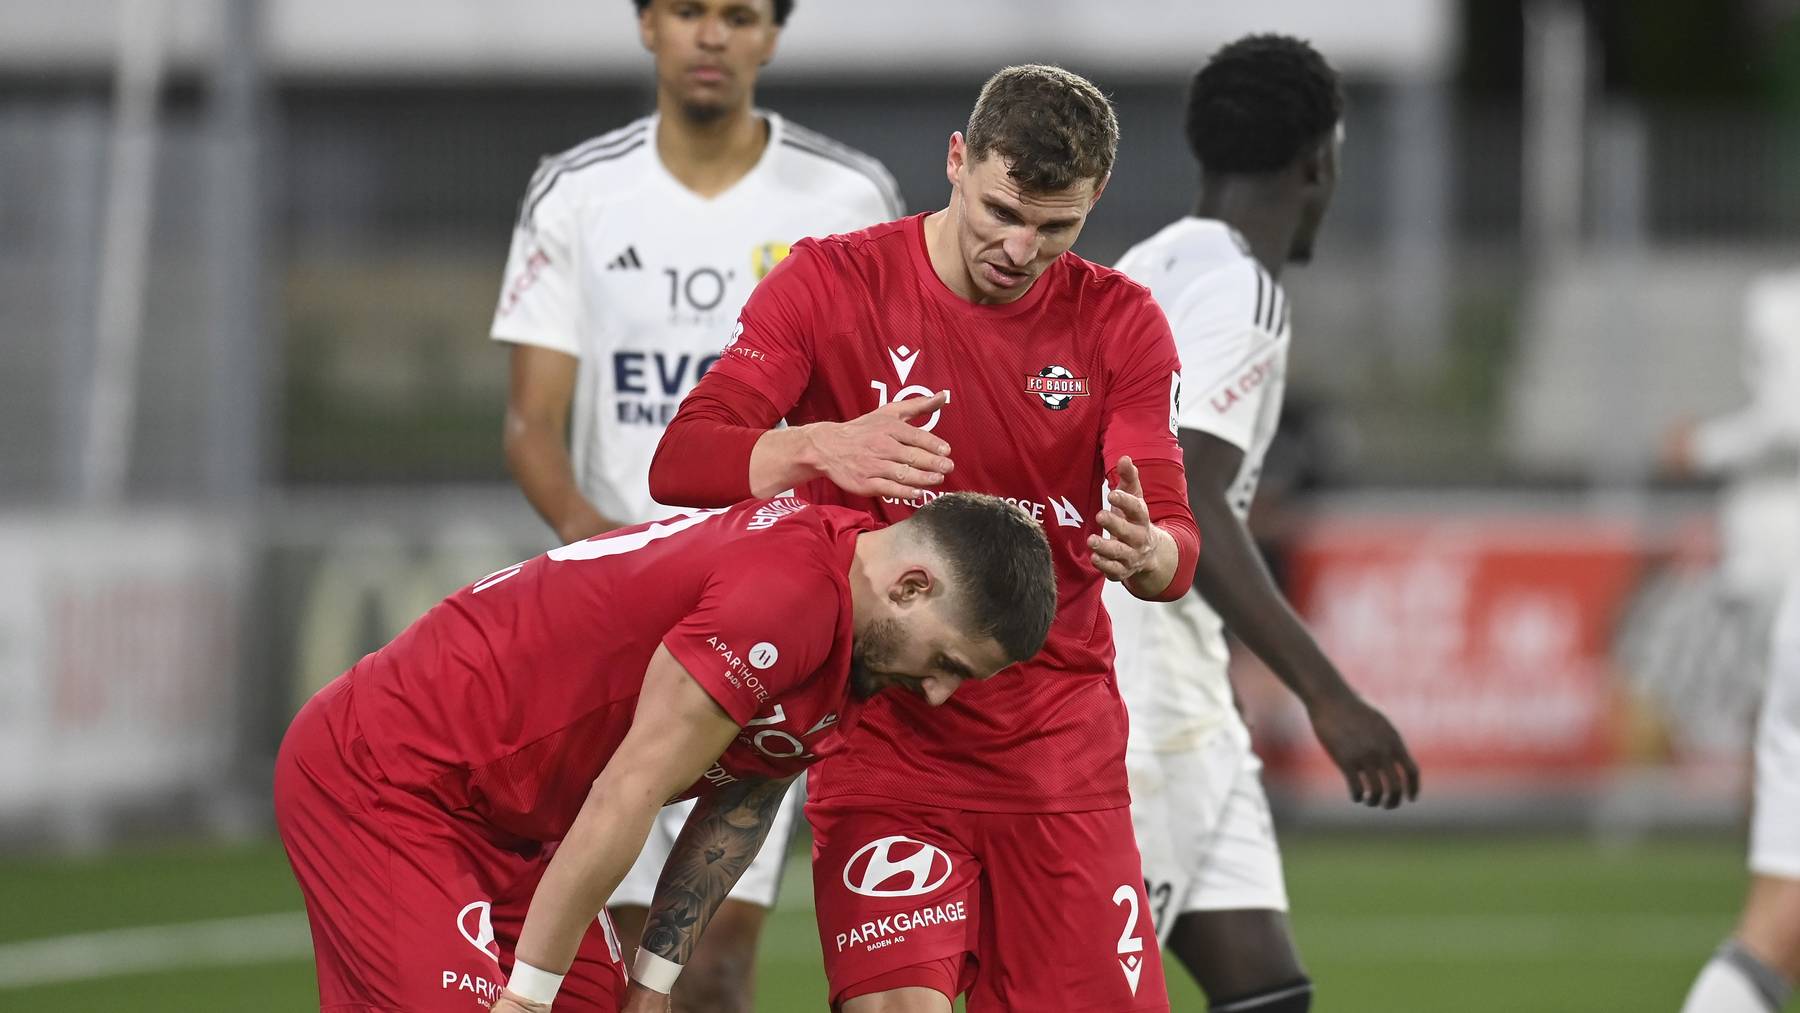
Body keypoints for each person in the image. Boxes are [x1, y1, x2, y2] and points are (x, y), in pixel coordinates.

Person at [650, 64, 1201, 1012]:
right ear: (956, 160)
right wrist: (828, 443)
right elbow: (684, 459)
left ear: (1095, 201)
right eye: (1001, 210)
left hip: (1058, 762)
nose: (1020, 248)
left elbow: (1173, 540)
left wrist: (1148, 554)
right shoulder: (830, 283)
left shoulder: (1119, 322)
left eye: (1055, 227)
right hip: (881, 744)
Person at [489, 0, 901, 1006]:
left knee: (709, 966)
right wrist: (599, 546)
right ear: (645, 25)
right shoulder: (578, 192)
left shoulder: (849, 195)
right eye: (686, 10)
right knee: (619, 959)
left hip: (768, 619)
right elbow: (531, 425)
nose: (710, 35)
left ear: (770, 35)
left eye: (739, 14)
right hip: (618, 621)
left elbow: (875, 409)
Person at [274, 490, 1057, 1013]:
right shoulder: (787, 594)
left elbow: (743, 803)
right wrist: (523, 999)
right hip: (388, 774)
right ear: (912, 586)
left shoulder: (856, 636)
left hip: (513, 827)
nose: (939, 694)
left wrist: (653, 982)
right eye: (951, 663)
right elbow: (630, 787)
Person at [1097, 35, 1418, 1013]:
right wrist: (1328, 695)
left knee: (1267, 990)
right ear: (1319, 160)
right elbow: (1184, 489)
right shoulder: (1243, 291)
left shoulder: (1146, 259)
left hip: (1179, 685)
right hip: (1142, 697)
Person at [1677, 269, 1800, 1013]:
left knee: (1775, 925)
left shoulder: (1774, 295)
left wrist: (1706, 445)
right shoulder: (1781, 301)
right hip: (1774, 548)